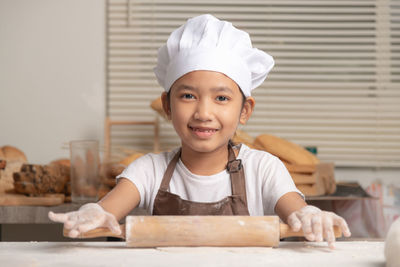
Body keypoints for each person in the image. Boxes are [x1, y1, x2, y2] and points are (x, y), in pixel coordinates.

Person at [49, 14, 351, 248]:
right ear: (167, 106)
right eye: (188, 96)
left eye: (221, 98)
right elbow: (106, 211)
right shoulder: (148, 171)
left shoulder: (264, 169)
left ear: (244, 110)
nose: (204, 113)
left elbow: (295, 209)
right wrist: (94, 213)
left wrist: (308, 215)